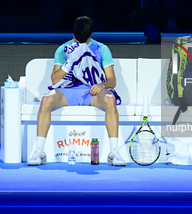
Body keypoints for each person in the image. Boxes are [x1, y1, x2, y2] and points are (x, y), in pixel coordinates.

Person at [28, 16, 126, 166]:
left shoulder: (101, 49)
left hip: (92, 92)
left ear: (91, 34)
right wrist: (69, 63)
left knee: (110, 99)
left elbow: (112, 80)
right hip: (69, 91)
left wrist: (102, 85)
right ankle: (39, 151)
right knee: (46, 99)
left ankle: (114, 152)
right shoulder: (63, 49)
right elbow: (55, 80)